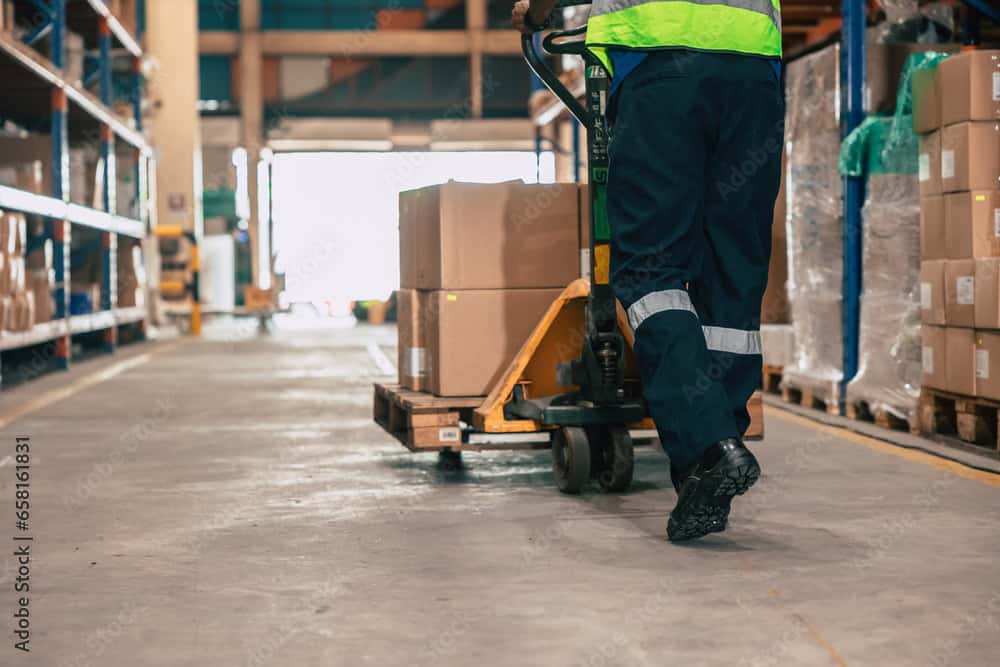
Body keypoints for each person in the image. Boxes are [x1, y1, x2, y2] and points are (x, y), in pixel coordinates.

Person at [513, 0, 784, 541]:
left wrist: (535, 12)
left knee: (651, 273)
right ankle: (709, 462)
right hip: (754, 72)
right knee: (733, 272)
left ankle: (711, 447)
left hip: (662, 70)